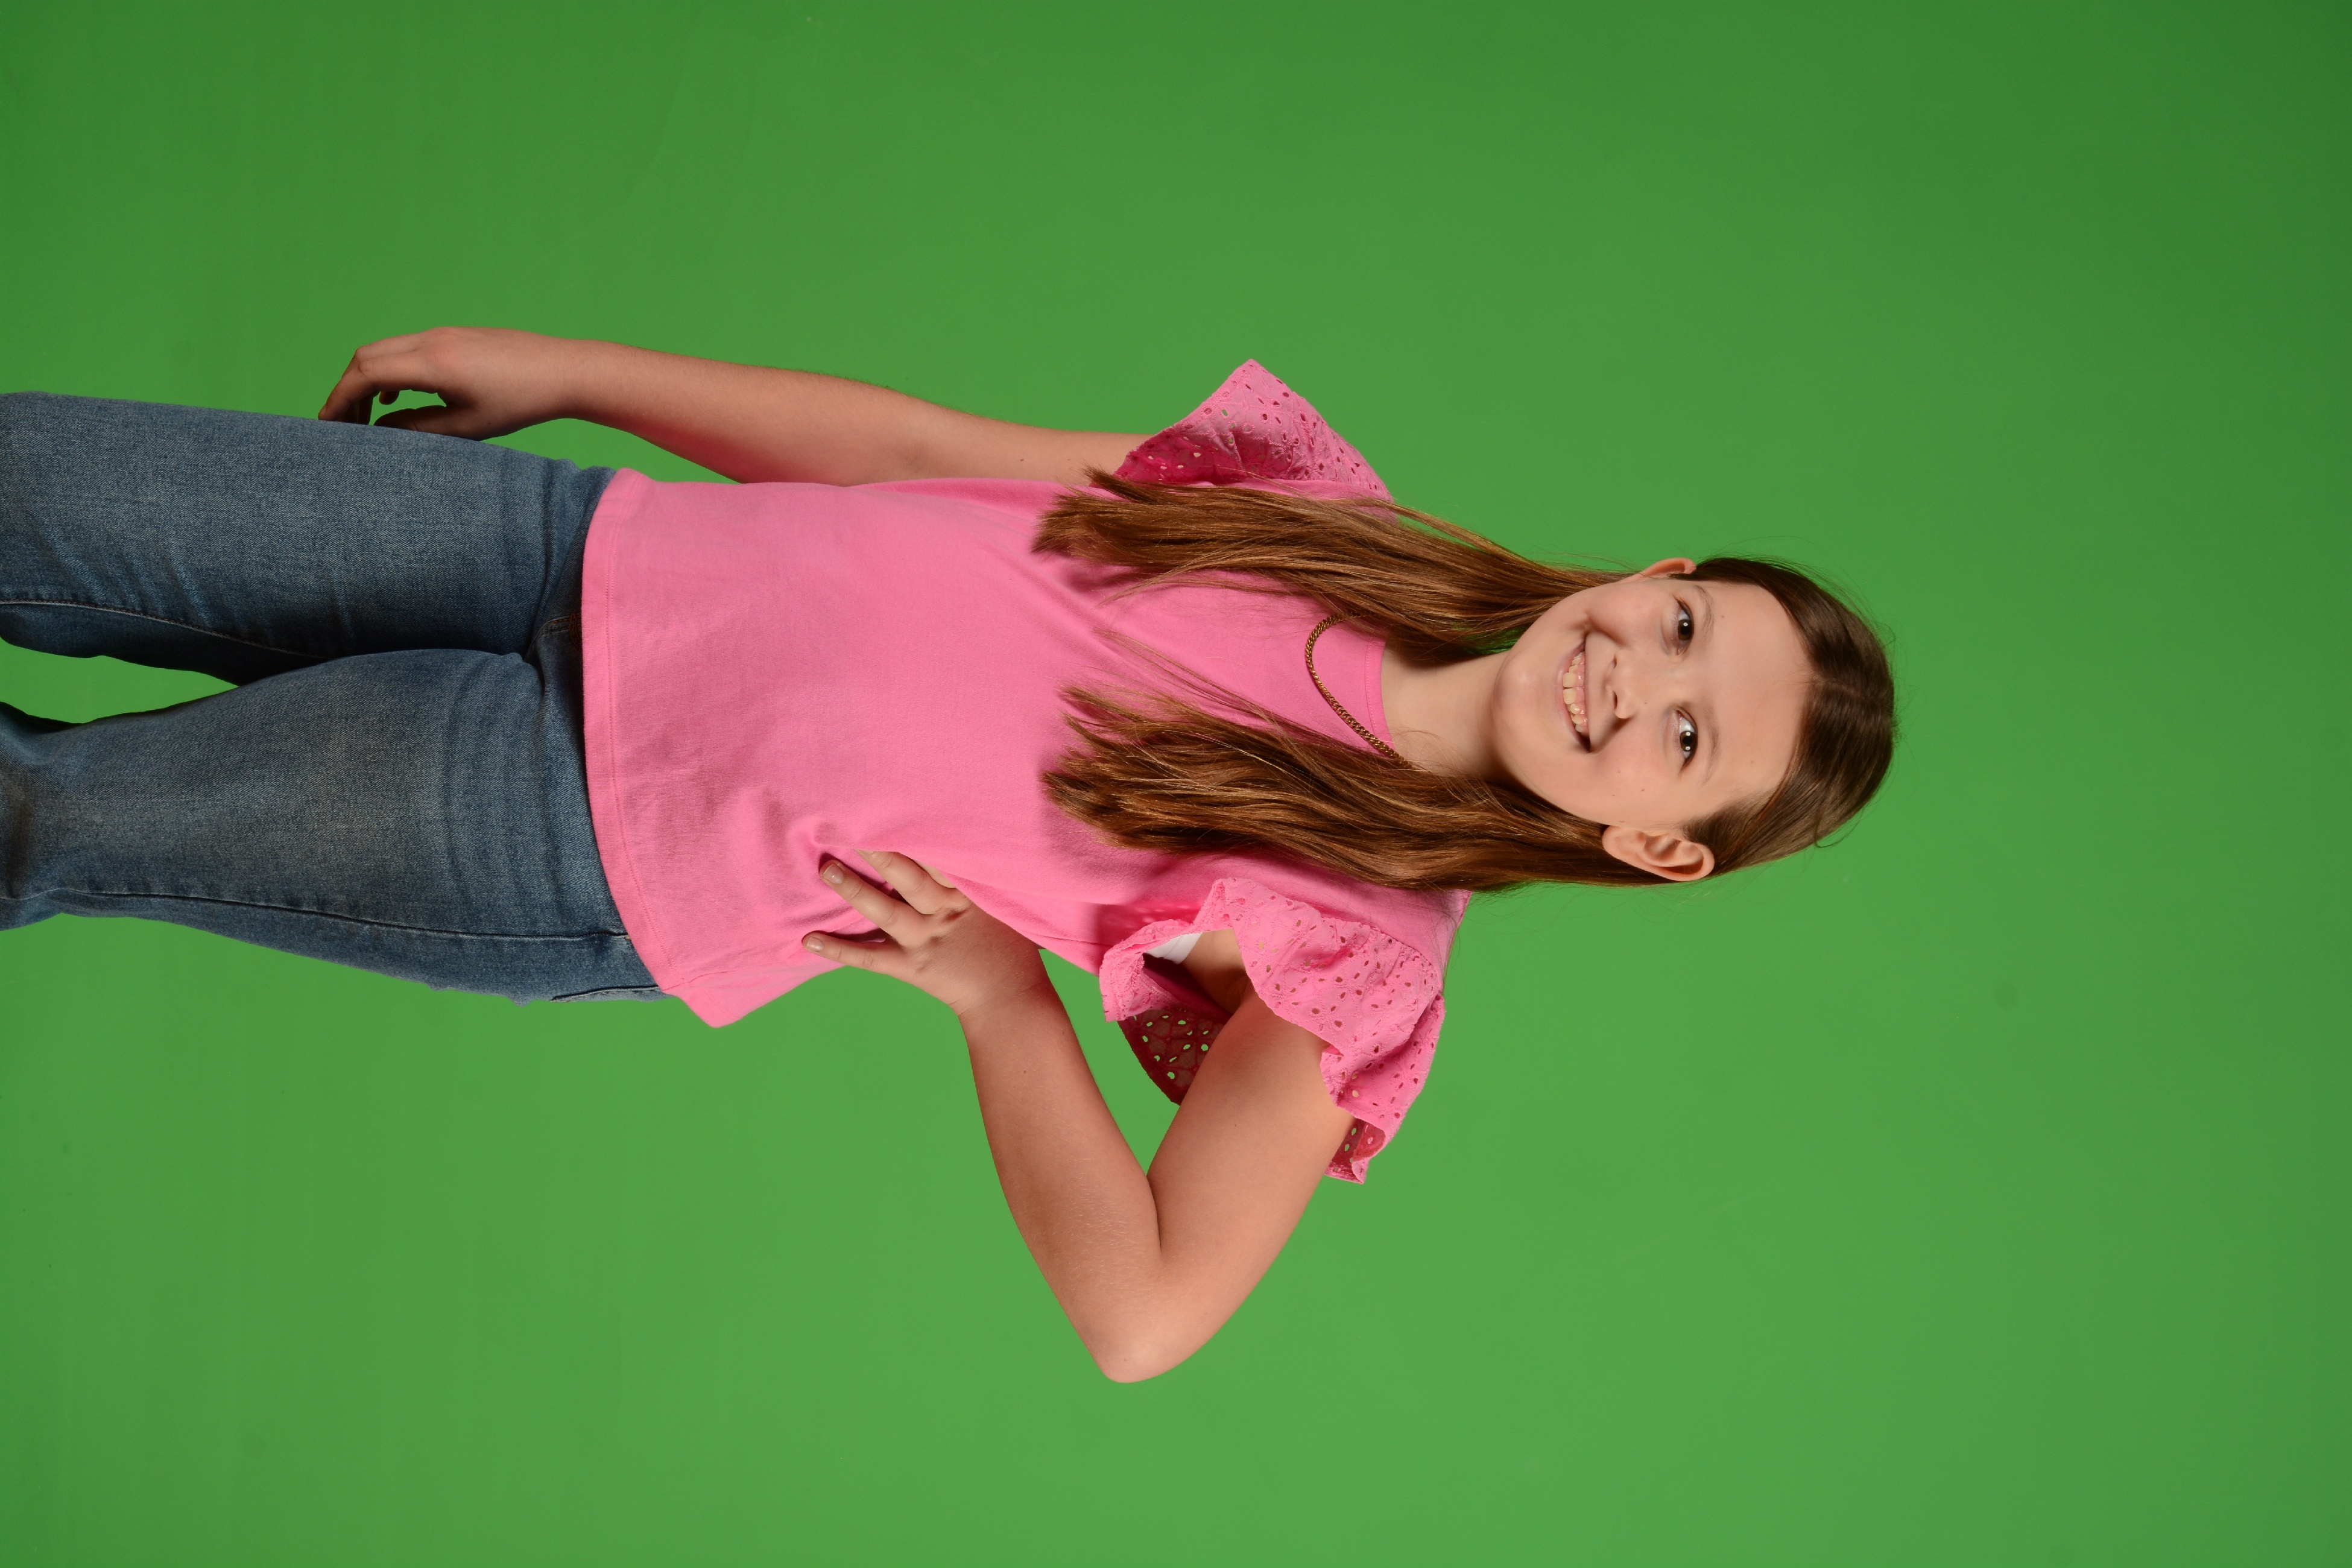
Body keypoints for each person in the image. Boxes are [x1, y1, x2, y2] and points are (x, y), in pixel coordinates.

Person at [0, 328, 1894, 1380]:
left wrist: (1000, 1003)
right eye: (1678, 627)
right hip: (560, 542)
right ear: (1655, 574)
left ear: (1659, 843)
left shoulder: (1361, 958)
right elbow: (910, 446)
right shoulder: (1327, 514)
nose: (1630, 679)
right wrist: (574, 371)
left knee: (40, 813)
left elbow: (1145, 1314)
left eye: (1684, 736)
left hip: (578, 821)